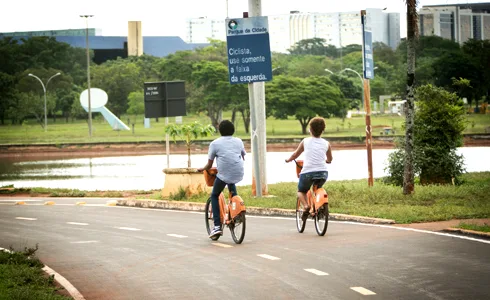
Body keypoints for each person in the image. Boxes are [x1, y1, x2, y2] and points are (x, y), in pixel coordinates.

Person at [198, 120, 246, 239]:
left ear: (220, 131)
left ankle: (217, 227)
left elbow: (209, 165)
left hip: (224, 174)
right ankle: (236, 212)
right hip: (238, 172)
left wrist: (201, 169)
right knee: (231, 184)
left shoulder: (215, 144)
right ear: (233, 130)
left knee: (214, 195)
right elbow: (243, 155)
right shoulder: (239, 141)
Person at [285, 117, 333, 221]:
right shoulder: (326, 143)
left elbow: (295, 154)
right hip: (323, 173)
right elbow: (330, 158)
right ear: (323, 130)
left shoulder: (305, 141)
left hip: (307, 172)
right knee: (316, 188)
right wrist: (327, 161)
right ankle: (318, 207)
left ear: (310, 129)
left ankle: (306, 206)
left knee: (301, 191)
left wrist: (289, 159)